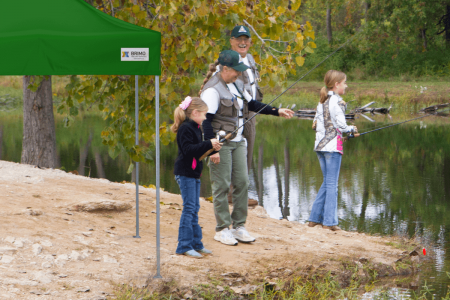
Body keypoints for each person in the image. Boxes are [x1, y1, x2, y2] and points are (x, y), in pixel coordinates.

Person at [200, 50, 294, 246]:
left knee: (242, 182)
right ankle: (222, 229)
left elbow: (252, 104)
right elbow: (205, 122)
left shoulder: (237, 84)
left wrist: (277, 111)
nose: (239, 74)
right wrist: (213, 149)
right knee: (222, 185)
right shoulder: (212, 90)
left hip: (238, 141)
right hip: (221, 144)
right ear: (225, 69)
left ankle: (238, 226)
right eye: (236, 70)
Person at [171, 96, 223, 258]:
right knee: (189, 208)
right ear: (195, 113)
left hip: (193, 173)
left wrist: (212, 148)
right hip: (185, 173)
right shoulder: (186, 128)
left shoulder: (196, 127)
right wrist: (208, 144)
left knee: (195, 208)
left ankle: (196, 244)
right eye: (204, 114)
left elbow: (198, 150)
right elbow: (188, 150)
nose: (206, 117)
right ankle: (184, 246)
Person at [308, 70, 357, 231]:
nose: (346, 85)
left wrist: (339, 133)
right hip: (332, 149)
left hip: (320, 147)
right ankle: (330, 222)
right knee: (332, 184)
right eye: (344, 83)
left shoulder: (322, 101)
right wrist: (352, 129)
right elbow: (342, 126)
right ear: (337, 85)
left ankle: (314, 219)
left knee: (327, 183)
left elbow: (316, 124)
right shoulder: (337, 102)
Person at [229, 25, 263, 172]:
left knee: (248, 156)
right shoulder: (228, 61)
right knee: (231, 156)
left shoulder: (250, 59)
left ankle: (242, 192)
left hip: (251, 114)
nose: (243, 42)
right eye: (239, 39)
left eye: (246, 39)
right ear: (232, 41)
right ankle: (229, 193)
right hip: (233, 115)